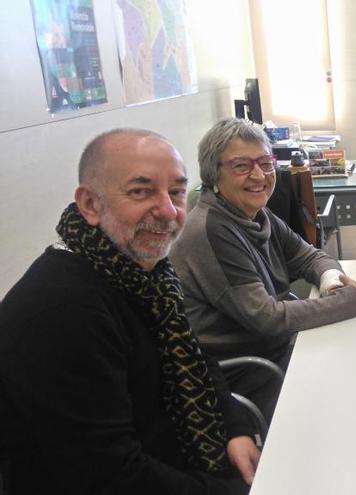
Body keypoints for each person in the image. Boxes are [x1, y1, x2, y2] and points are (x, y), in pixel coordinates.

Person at [0, 129, 259, 494]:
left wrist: (235, 428)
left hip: (178, 466)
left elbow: (195, 358)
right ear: (89, 204)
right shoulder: (63, 310)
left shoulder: (143, 273)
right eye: (141, 191)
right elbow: (111, 477)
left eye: (177, 192)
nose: (168, 211)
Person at [170, 118, 356, 423]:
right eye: (241, 166)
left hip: (277, 350)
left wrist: (330, 282)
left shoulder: (257, 214)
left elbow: (311, 256)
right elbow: (268, 318)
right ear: (214, 175)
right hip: (246, 374)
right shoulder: (212, 229)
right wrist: (349, 299)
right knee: (350, 397)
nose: (259, 175)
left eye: (266, 162)